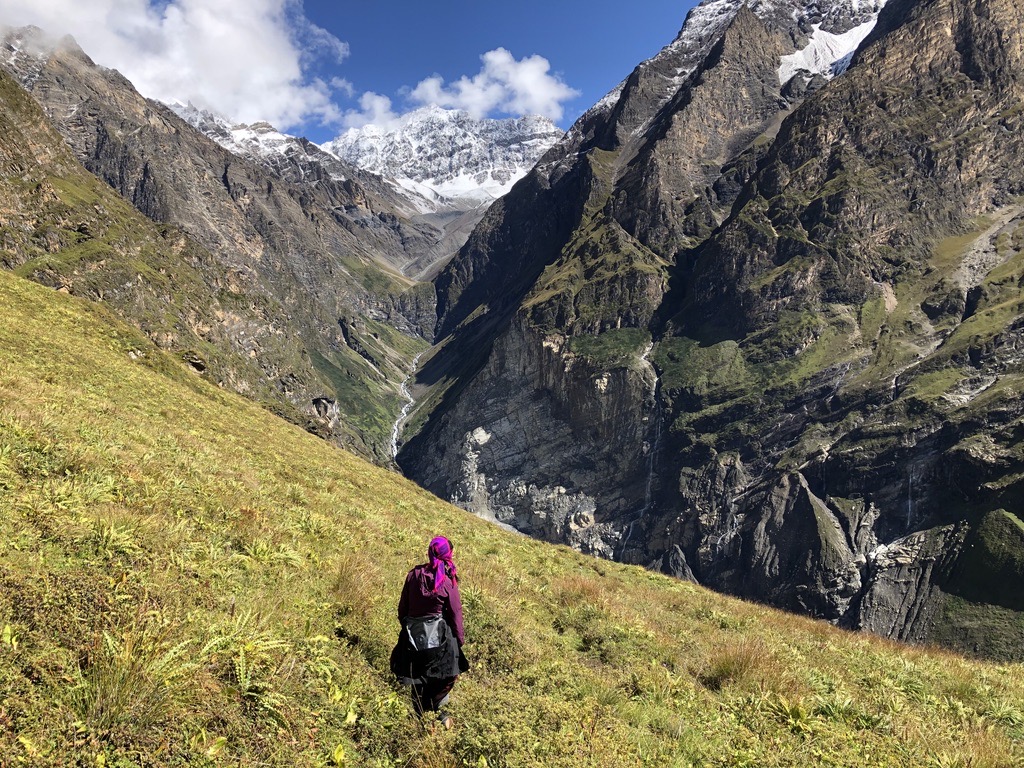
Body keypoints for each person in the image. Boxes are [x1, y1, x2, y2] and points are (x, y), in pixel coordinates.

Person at [390, 536, 469, 727]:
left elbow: (403, 610)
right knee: (444, 679)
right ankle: (441, 719)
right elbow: (456, 612)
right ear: (447, 554)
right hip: (439, 642)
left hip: (413, 640)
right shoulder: (448, 581)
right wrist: (459, 641)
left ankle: (420, 722)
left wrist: (411, 630)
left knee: (417, 683)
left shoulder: (413, 575)